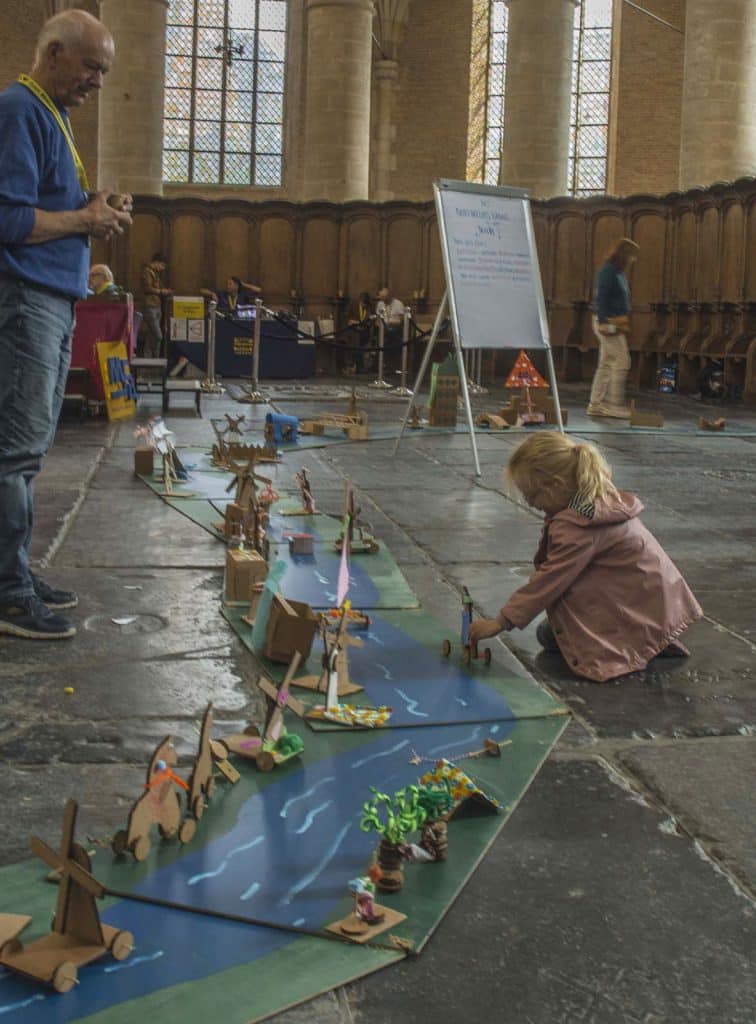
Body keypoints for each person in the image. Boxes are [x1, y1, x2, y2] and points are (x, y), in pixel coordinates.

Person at [0, 10, 132, 640]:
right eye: (91, 67)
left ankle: (14, 571)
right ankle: (6, 591)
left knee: (27, 449)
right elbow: (9, 222)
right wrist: (86, 222)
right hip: (24, 300)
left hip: (49, 301)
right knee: (13, 450)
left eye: (103, 72)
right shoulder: (19, 111)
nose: (97, 83)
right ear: (53, 53)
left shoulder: (50, 117)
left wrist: (92, 208)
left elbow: (44, 208)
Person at [468, 433, 702, 682]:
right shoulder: (599, 500)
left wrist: (500, 622)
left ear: (555, 485)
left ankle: (632, 640)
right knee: (559, 628)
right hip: (653, 604)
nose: (529, 502)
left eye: (531, 494)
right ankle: (645, 636)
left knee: (549, 635)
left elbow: (549, 580)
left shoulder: (577, 527)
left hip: (634, 605)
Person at [587, 237, 639, 419]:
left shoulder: (619, 272)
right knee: (622, 361)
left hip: (616, 323)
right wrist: (602, 321)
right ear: (625, 254)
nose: (634, 260)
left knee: (606, 363)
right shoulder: (609, 270)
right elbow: (601, 297)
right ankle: (614, 405)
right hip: (607, 321)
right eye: (632, 256)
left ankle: (596, 404)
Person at [140, 252, 171, 357]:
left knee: (152, 334)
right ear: (156, 262)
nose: (163, 268)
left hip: (157, 305)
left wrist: (166, 290)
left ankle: (149, 357)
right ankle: (152, 356)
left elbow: (158, 286)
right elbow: (147, 288)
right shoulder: (146, 272)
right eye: (162, 265)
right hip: (149, 305)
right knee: (158, 335)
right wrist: (162, 292)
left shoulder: (155, 273)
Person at [346, 290, 374, 372]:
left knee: (362, 348)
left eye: (365, 304)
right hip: (354, 331)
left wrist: (359, 322)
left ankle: (361, 367)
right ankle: (357, 367)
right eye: (362, 303)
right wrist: (351, 321)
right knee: (355, 347)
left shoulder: (370, 307)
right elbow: (347, 316)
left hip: (365, 331)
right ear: (360, 300)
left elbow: (371, 321)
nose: (363, 305)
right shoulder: (353, 304)